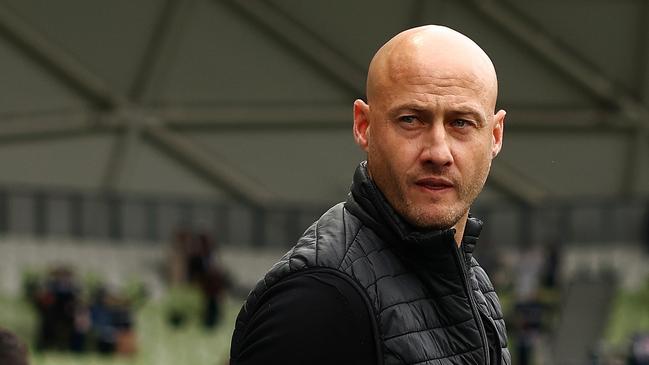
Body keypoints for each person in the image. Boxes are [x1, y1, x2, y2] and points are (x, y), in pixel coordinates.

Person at [230, 25, 510, 364]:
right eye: (411, 119)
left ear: (495, 136)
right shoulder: (317, 301)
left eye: (461, 123)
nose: (438, 151)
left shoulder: (471, 280)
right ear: (364, 126)